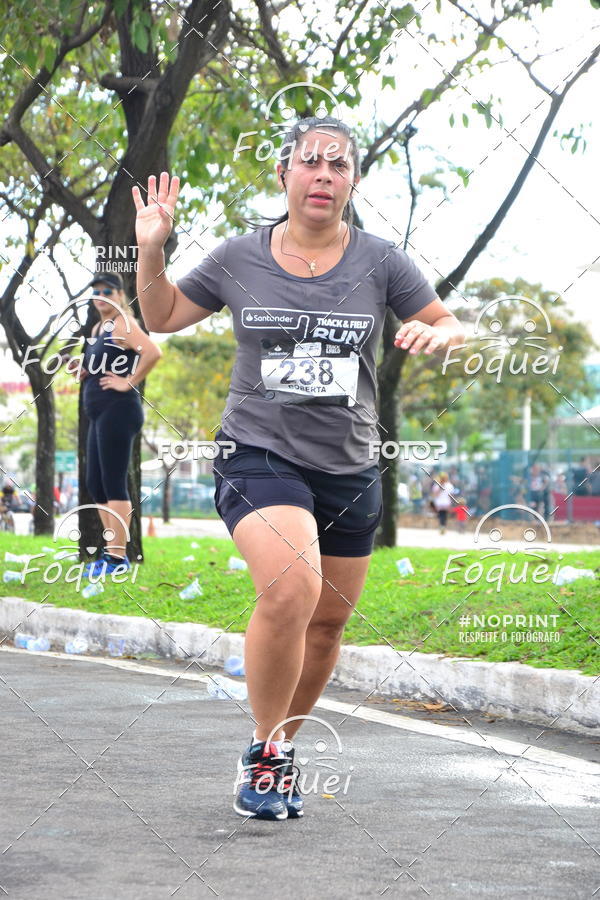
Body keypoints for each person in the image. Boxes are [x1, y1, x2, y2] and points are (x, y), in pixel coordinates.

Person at [132, 116, 465, 821]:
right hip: (257, 452)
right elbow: (159, 315)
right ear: (284, 175)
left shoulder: (381, 260)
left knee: (326, 624)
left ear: (350, 183)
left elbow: (451, 321)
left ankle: (281, 748)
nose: (323, 174)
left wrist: (435, 333)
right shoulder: (237, 258)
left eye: (338, 165)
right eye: (309, 162)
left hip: (348, 465)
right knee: (291, 586)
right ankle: (259, 748)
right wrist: (151, 250)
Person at [67, 272, 162, 575]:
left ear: (120, 295)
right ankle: (110, 554)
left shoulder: (124, 324)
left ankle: (118, 559)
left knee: (112, 482)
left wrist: (129, 383)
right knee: (96, 483)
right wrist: (84, 368)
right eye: (96, 292)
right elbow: (104, 359)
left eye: (108, 291)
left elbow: (152, 352)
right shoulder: (99, 327)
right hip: (98, 412)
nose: (101, 297)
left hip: (119, 411)